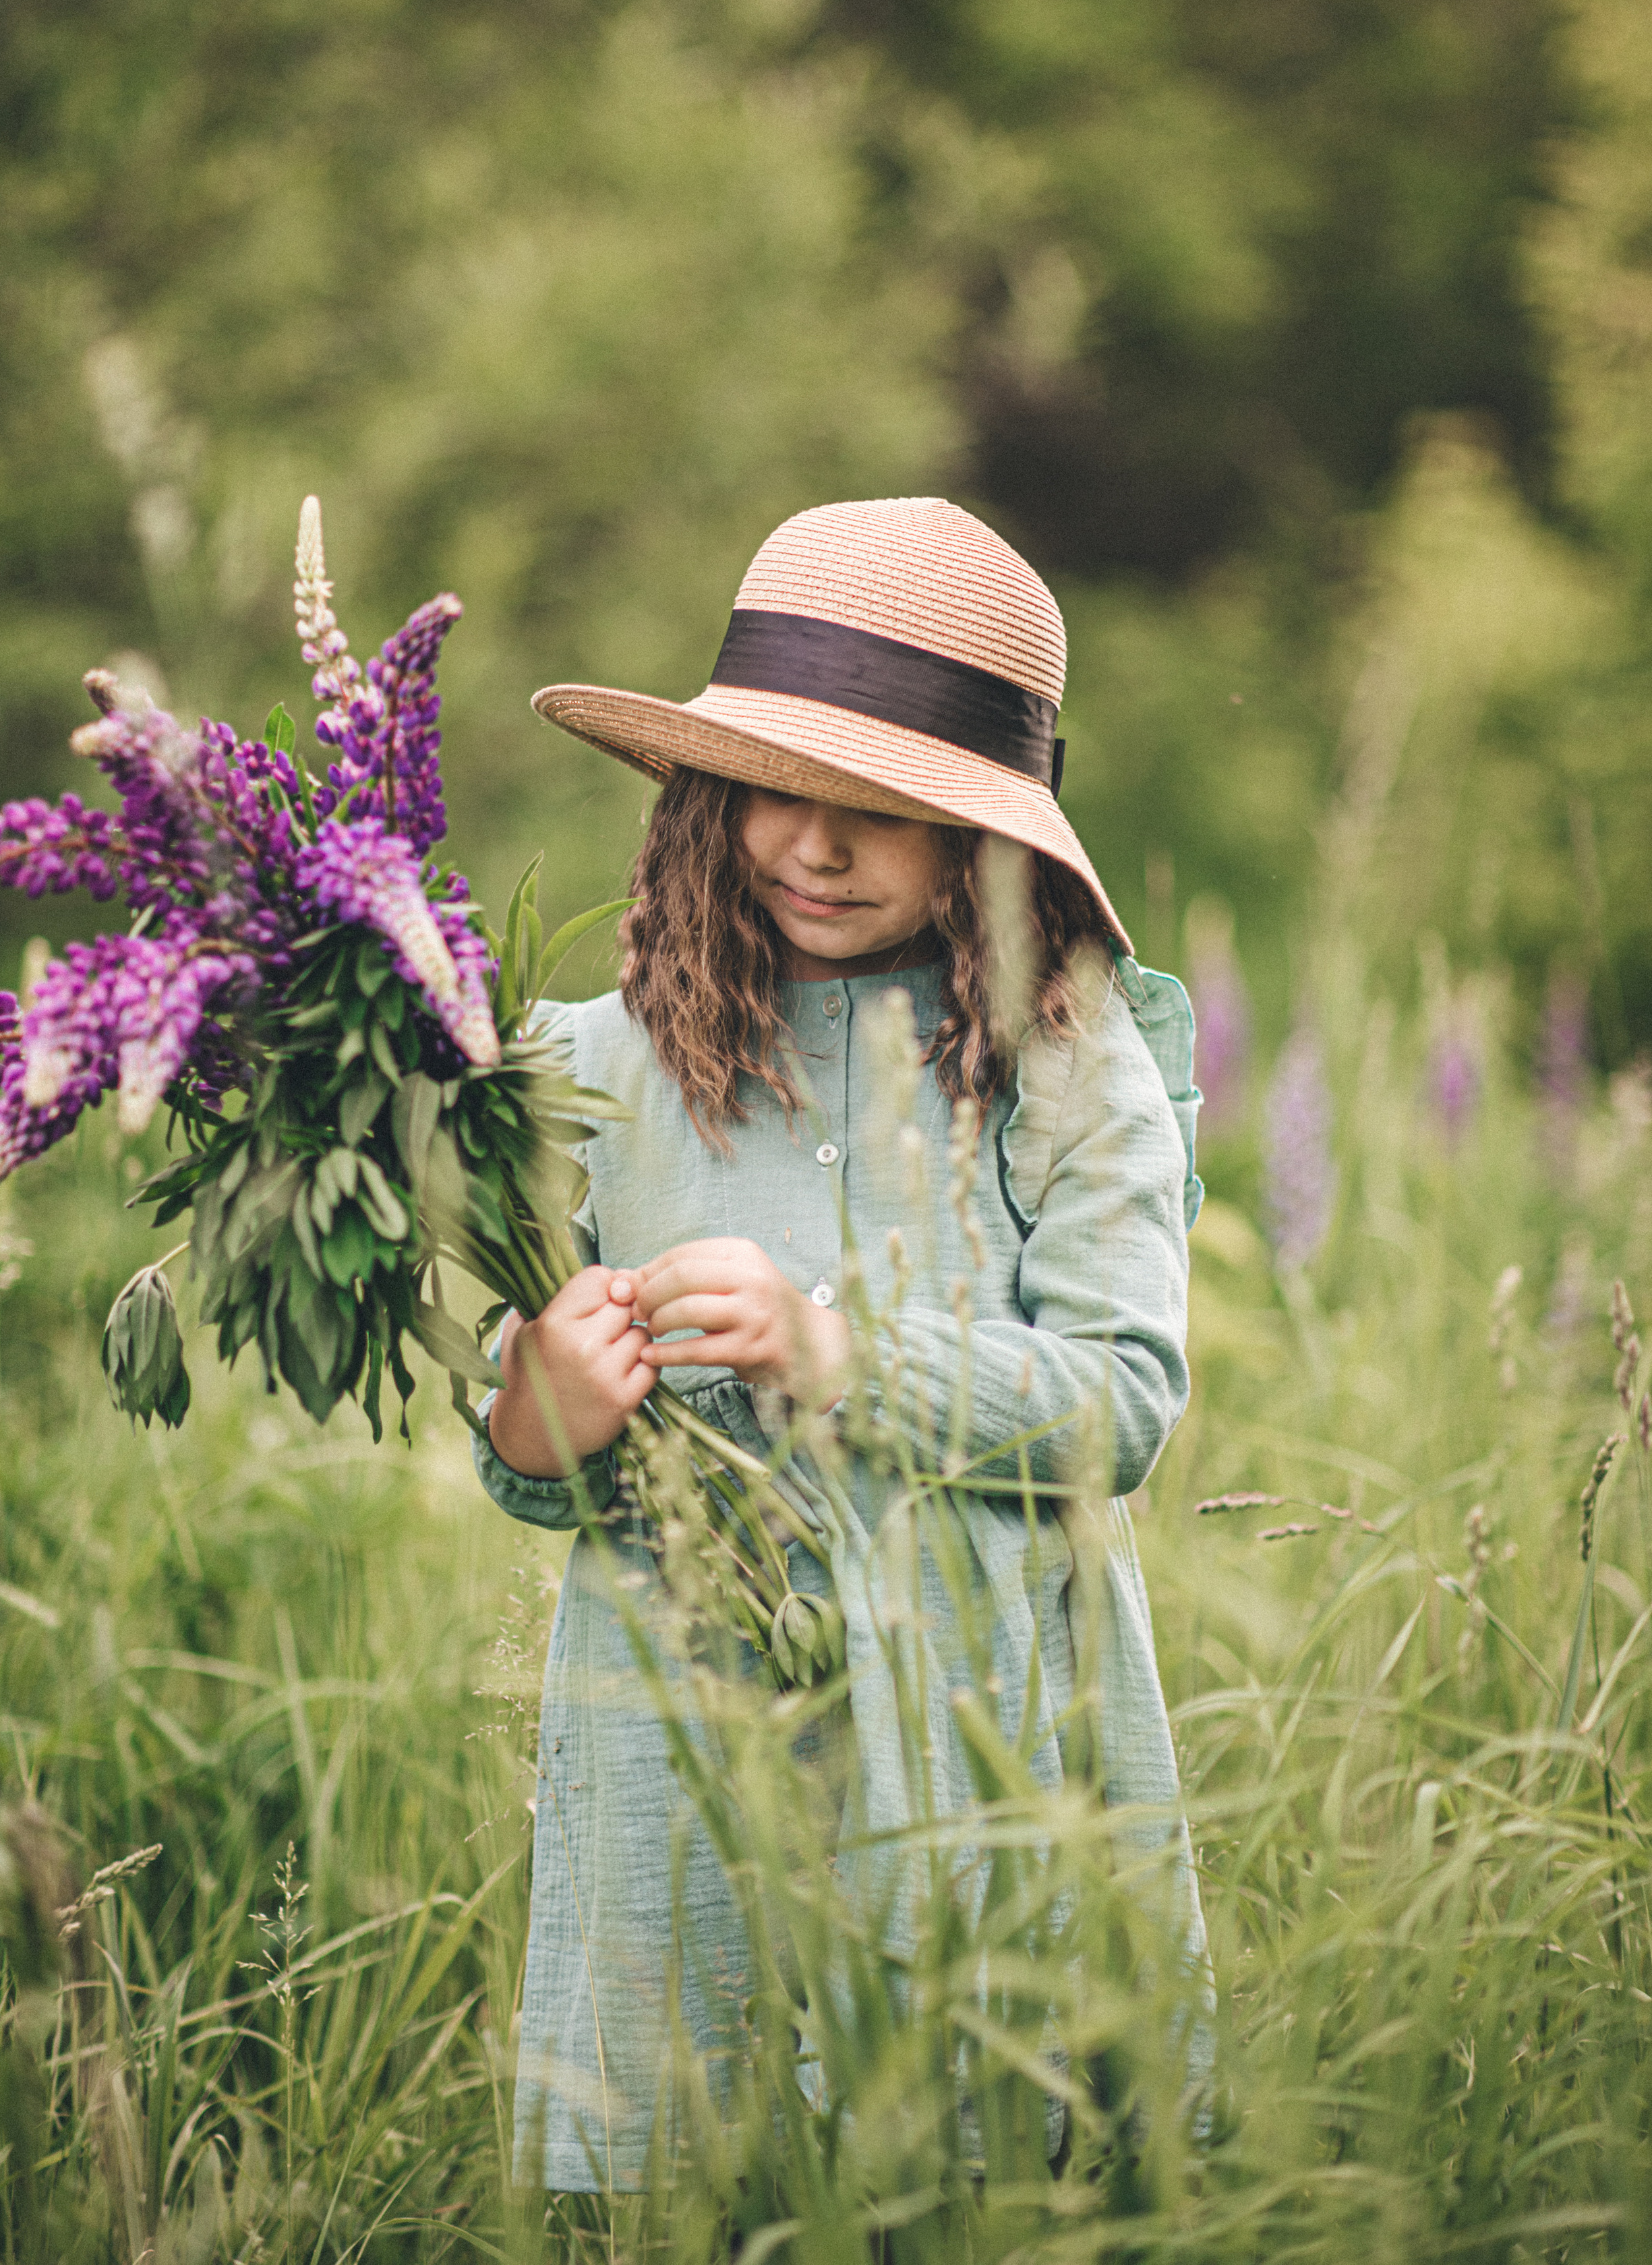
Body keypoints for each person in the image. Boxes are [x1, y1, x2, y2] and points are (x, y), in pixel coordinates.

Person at [473, 496, 1207, 2192]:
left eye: (882, 809)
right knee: (700, 2178)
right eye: (775, 789)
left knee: (964, 2180)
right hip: (682, 1738)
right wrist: (540, 1418)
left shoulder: (1063, 1053)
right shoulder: (587, 1065)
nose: (813, 843)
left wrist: (834, 1351)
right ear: (703, 795)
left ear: (984, 841)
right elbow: (520, 1453)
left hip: (979, 1727)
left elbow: (1122, 1404)